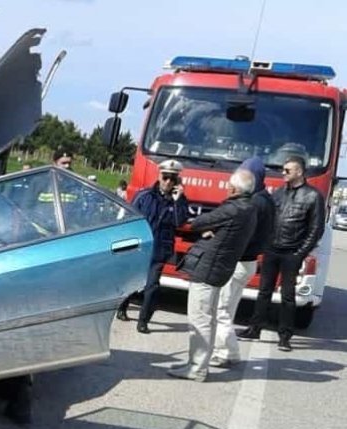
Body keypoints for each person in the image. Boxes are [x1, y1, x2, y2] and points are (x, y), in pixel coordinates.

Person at [168, 170, 257, 382]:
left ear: (234, 189)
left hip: (208, 268)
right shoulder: (250, 208)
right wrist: (215, 231)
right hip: (221, 268)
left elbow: (199, 223)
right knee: (209, 318)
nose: (227, 188)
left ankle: (197, 368)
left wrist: (208, 228)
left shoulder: (233, 207)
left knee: (199, 319)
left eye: (228, 186)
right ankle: (199, 364)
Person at [236, 156, 326, 350]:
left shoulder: (313, 196)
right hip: (271, 250)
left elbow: (316, 230)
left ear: (299, 172)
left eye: (287, 170)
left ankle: (285, 336)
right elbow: (268, 219)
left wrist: (299, 254)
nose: (282, 173)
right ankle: (254, 328)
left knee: (287, 296)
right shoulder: (277, 193)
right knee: (264, 292)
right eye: (283, 170)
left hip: (292, 253)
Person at [209, 158, 275, 368]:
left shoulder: (254, 203)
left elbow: (242, 233)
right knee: (228, 309)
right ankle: (230, 353)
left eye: (246, 175)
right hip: (248, 262)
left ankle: (225, 353)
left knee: (221, 310)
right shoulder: (266, 199)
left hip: (238, 262)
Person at [116, 159, 189, 334]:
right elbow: (129, 218)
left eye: (172, 179)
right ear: (159, 176)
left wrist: (178, 201)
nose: (168, 182)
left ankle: (143, 320)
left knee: (152, 286)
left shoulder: (178, 201)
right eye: (165, 177)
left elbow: (180, 222)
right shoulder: (144, 195)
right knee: (131, 281)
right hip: (140, 247)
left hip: (159, 249)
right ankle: (122, 307)